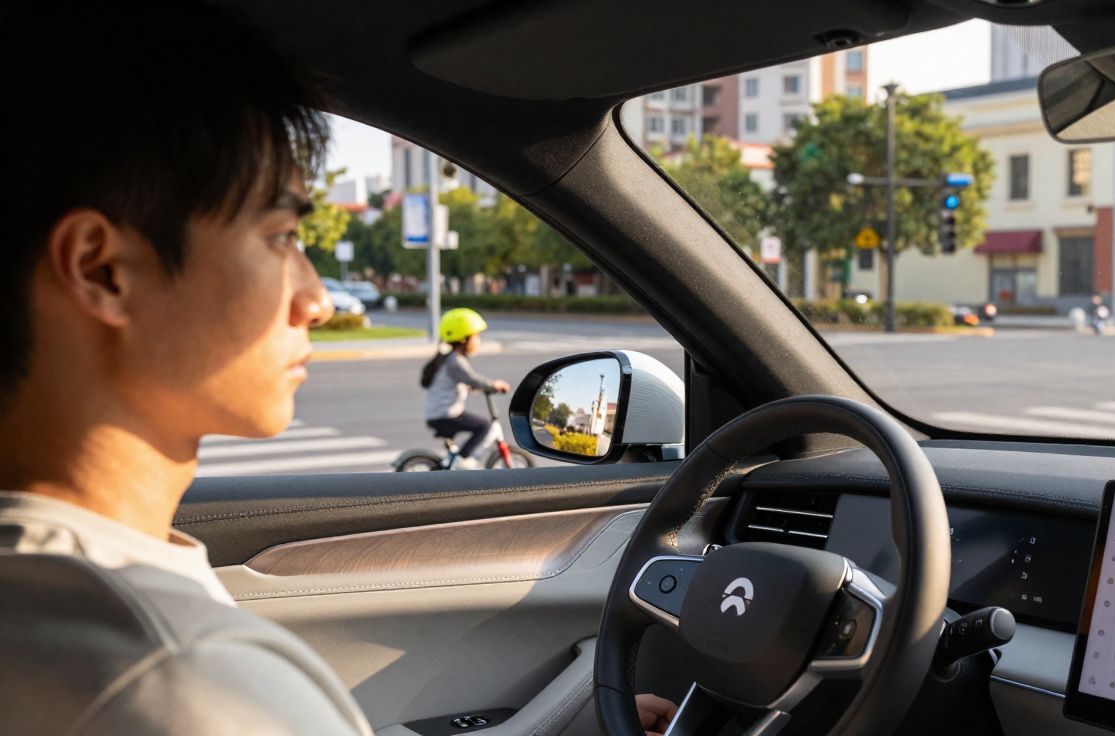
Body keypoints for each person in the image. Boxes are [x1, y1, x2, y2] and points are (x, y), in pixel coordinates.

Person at [0, 3, 676, 734]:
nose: (316, 299)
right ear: (103, 270)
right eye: (282, 235)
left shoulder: (77, 619)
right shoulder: (178, 681)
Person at [420, 308, 512, 469]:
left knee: (478, 425)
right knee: (484, 426)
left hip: (437, 413)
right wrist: (494, 385)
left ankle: (456, 461)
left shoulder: (446, 358)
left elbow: (456, 382)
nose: (478, 340)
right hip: (445, 414)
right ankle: (463, 460)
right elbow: (473, 378)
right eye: (475, 336)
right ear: (463, 339)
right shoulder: (455, 361)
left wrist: (468, 388)